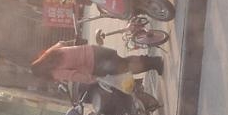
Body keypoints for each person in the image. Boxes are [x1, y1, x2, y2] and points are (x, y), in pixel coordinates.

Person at [30, 41, 164, 84]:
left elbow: (74, 76)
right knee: (123, 60)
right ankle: (152, 60)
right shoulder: (50, 53)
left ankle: (155, 64)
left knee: (125, 68)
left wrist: (91, 80)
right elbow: (62, 43)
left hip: (95, 64)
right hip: (93, 49)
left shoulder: (54, 72)